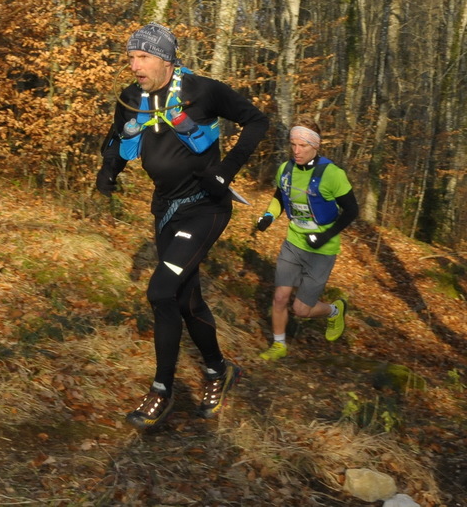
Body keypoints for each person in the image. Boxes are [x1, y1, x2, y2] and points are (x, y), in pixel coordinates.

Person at [96, 23, 269, 429]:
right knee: (187, 301)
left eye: (143, 57)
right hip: (165, 210)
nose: (134, 65)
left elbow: (257, 121)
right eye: (130, 57)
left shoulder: (203, 90)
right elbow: (116, 137)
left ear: (166, 60)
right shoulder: (131, 97)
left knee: (160, 292)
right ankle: (219, 370)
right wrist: (109, 170)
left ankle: (162, 390)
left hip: (205, 207)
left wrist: (226, 170)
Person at [255, 116, 359, 360]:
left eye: (302, 145)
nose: (296, 151)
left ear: (315, 145)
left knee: (301, 309)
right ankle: (279, 345)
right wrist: (269, 216)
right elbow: (280, 197)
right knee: (280, 297)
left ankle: (334, 310)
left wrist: (325, 236)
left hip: (322, 250)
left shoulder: (333, 174)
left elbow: (352, 210)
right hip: (293, 243)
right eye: (293, 144)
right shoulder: (286, 169)